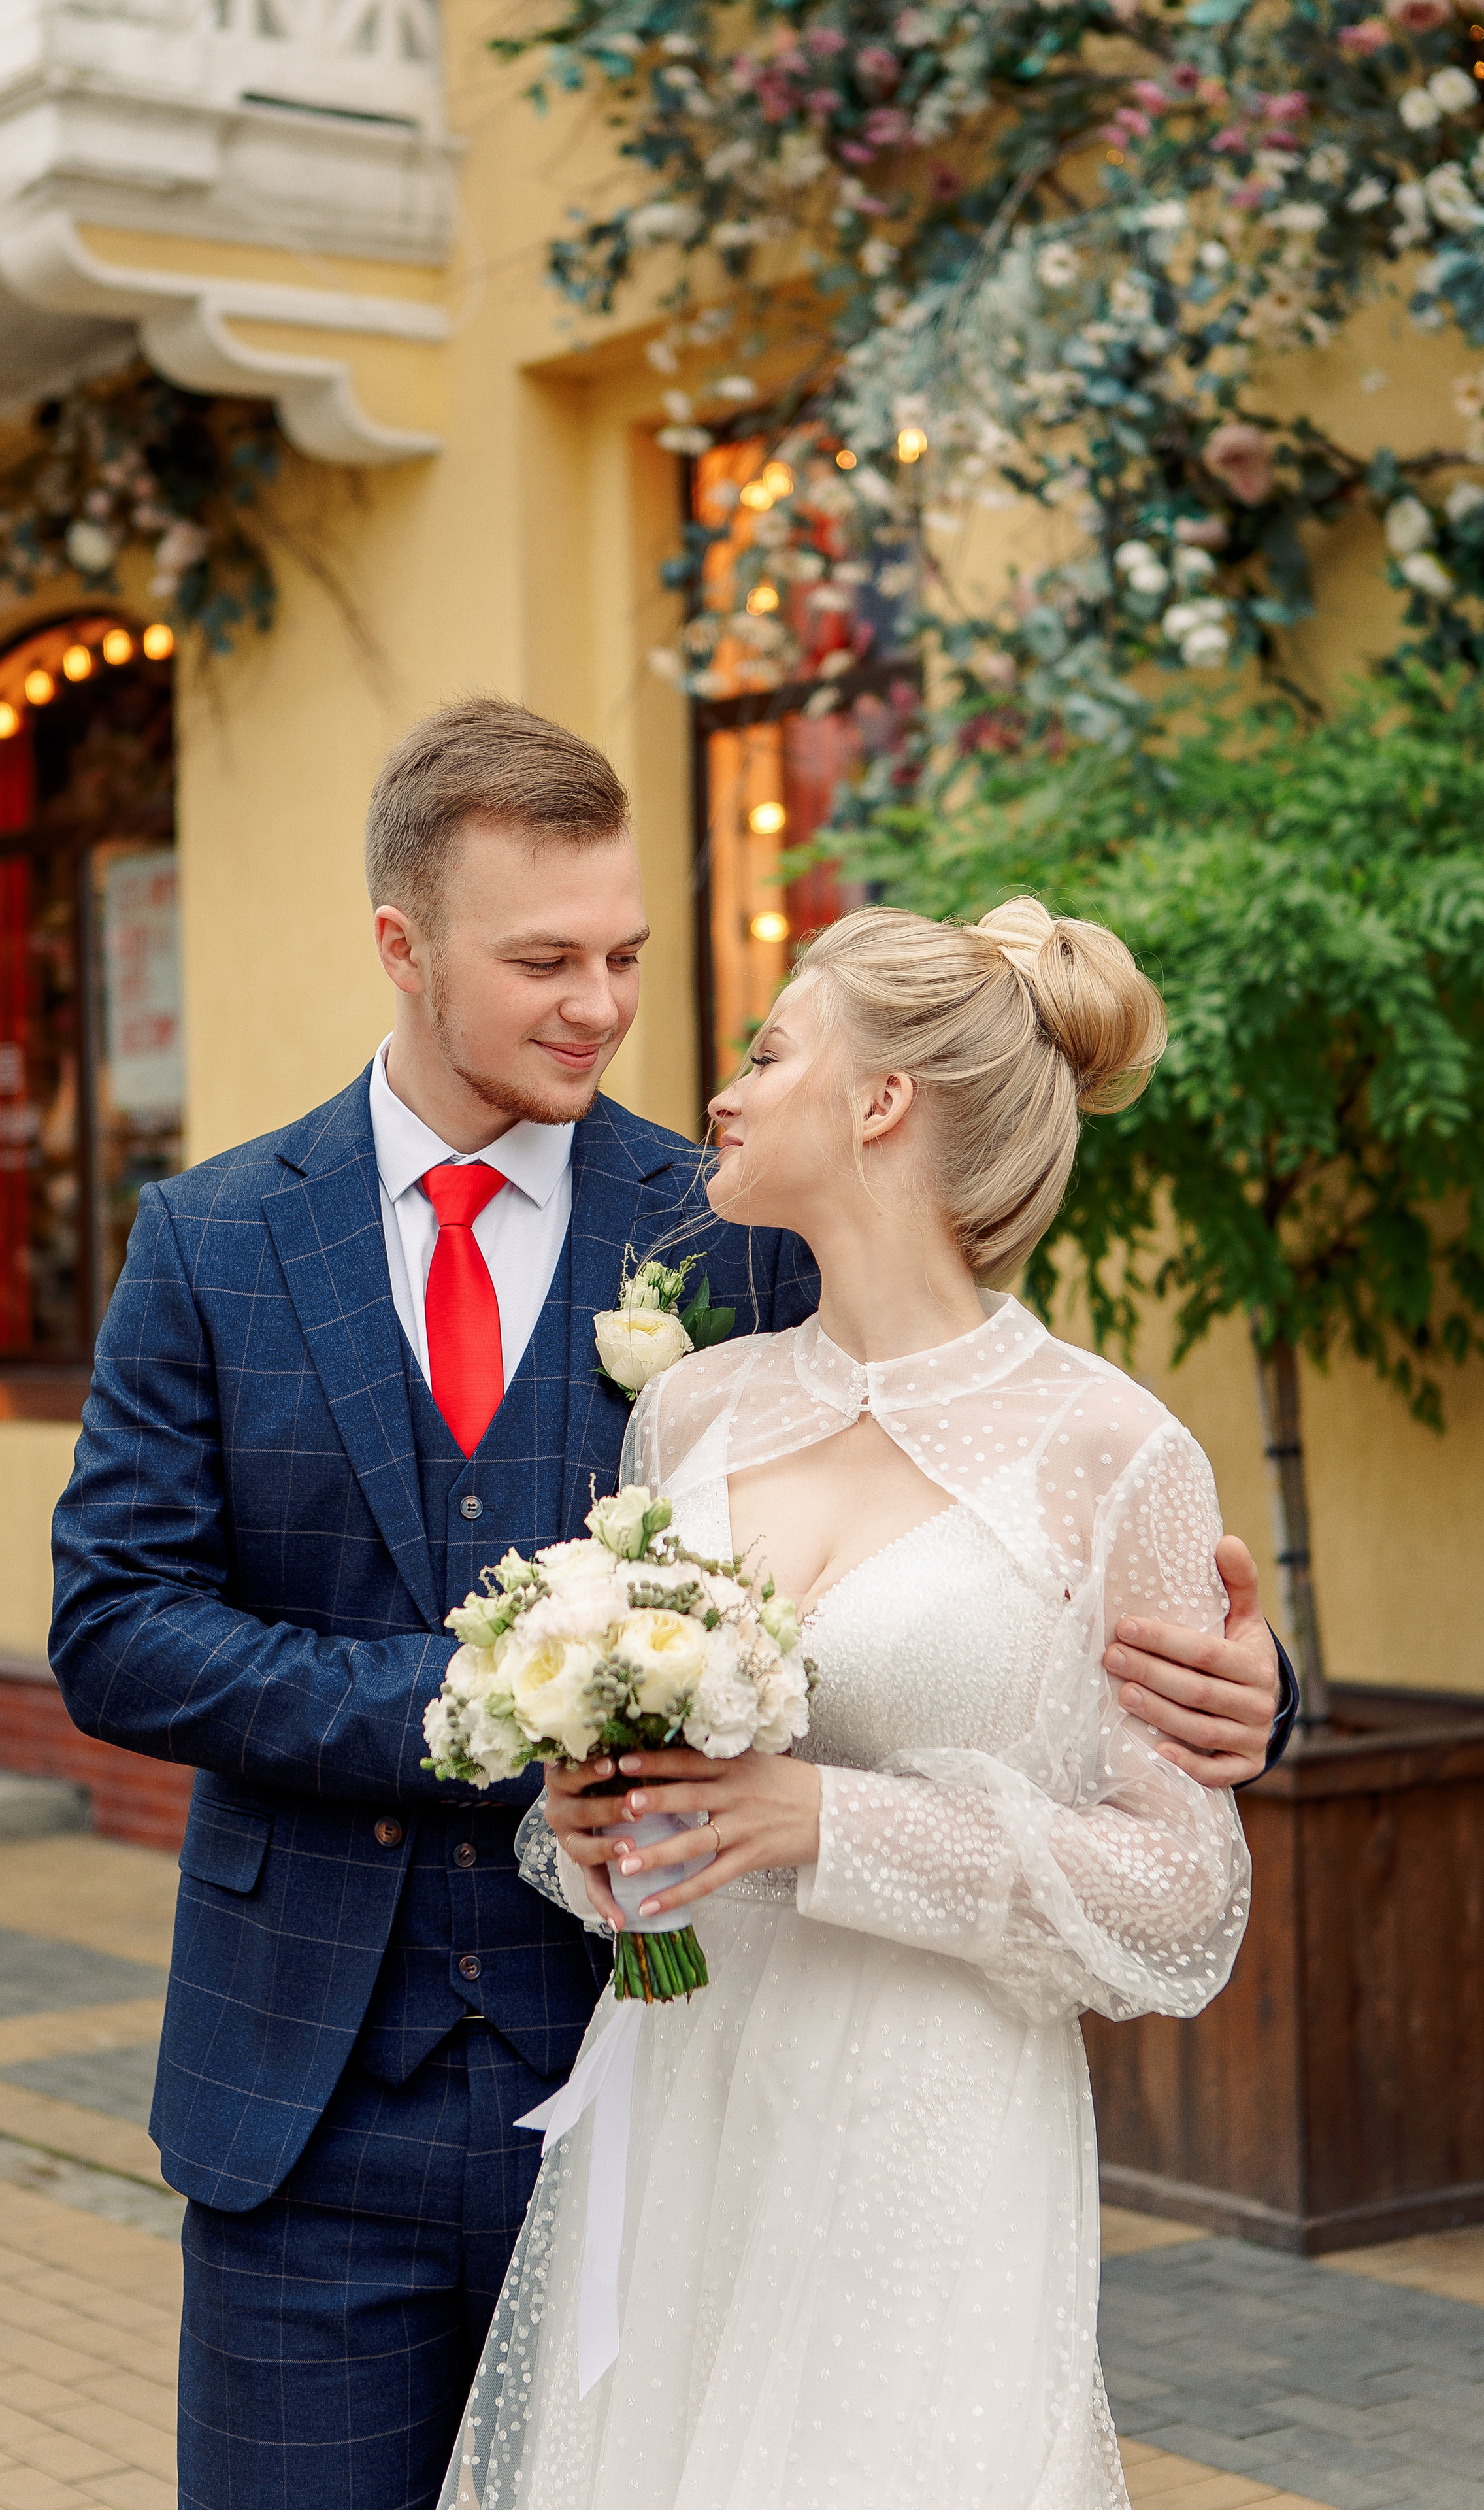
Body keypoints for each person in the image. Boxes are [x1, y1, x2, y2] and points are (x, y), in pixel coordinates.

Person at [49, 703, 1293, 2510]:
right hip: (307, 2108)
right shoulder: (217, 1238)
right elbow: (117, 1624)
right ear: (402, 944)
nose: (605, 1005)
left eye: (625, 954)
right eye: (544, 959)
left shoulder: (741, 1232)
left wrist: (1256, 1683)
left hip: (659, 2091)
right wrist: (501, 1704)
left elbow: (1004, 1483)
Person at [446, 899, 1255, 2510]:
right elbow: (633, 1795)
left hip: (924, 2124)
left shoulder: (1114, 1454)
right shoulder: (687, 1413)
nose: (723, 1095)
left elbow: (1182, 1899)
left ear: (880, 1102)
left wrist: (827, 1822)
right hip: (681, 2091)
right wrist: (590, 1828)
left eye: (767, 1051)